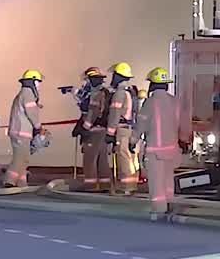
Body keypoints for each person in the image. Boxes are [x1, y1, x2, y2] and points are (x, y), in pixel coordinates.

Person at [133, 66, 186, 215]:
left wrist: (133, 140)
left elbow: (141, 124)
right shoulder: (175, 102)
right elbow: (182, 125)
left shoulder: (150, 102)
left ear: (153, 85)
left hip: (155, 152)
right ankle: (170, 206)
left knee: (156, 184)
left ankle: (158, 210)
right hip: (172, 150)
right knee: (168, 181)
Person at [5, 69, 44, 188]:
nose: (39, 85)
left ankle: (21, 183)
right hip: (21, 132)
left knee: (24, 158)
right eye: (38, 82)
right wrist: (38, 127)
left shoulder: (25, 93)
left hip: (21, 131)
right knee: (20, 158)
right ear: (32, 81)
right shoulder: (28, 94)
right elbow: (31, 112)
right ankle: (9, 181)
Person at [105, 62, 139, 195]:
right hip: (130, 129)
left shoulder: (119, 93)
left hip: (122, 130)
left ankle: (125, 187)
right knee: (131, 158)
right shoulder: (131, 92)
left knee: (123, 157)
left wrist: (110, 133)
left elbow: (114, 114)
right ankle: (131, 185)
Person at [75, 67, 111, 191]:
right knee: (102, 159)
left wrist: (84, 128)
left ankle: (90, 184)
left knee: (90, 158)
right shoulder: (105, 92)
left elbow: (93, 112)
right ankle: (105, 184)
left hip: (93, 131)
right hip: (103, 130)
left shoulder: (96, 94)